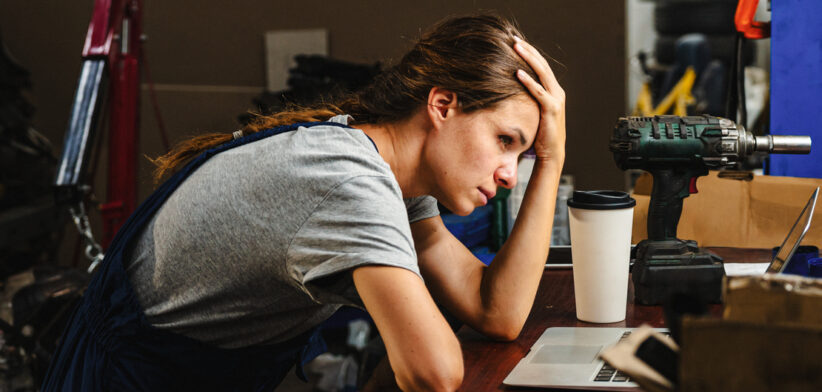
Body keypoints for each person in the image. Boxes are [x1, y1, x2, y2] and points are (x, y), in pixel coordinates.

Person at [42, 13, 565, 392]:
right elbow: (434, 373)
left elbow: (496, 313)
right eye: (505, 141)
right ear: (442, 105)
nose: (507, 174)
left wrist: (551, 157)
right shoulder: (346, 179)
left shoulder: (387, 178)